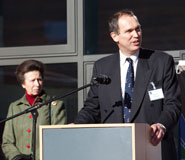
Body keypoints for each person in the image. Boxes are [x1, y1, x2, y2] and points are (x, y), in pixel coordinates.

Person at [74, 9, 181, 160]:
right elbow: (92, 108)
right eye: (129, 31)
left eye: (138, 29)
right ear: (115, 36)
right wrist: (74, 127)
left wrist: (161, 125)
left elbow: (173, 104)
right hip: (114, 150)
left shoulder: (161, 62)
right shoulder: (102, 67)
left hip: (153, 148)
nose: (136, 35)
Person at [1, 60, 66, 160]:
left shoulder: (55, 105)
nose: (37, 84)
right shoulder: (15, 107)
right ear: (23, 84)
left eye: (39, 79)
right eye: (32, 80)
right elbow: (7, 142)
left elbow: (58, 139)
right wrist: (17, 157)